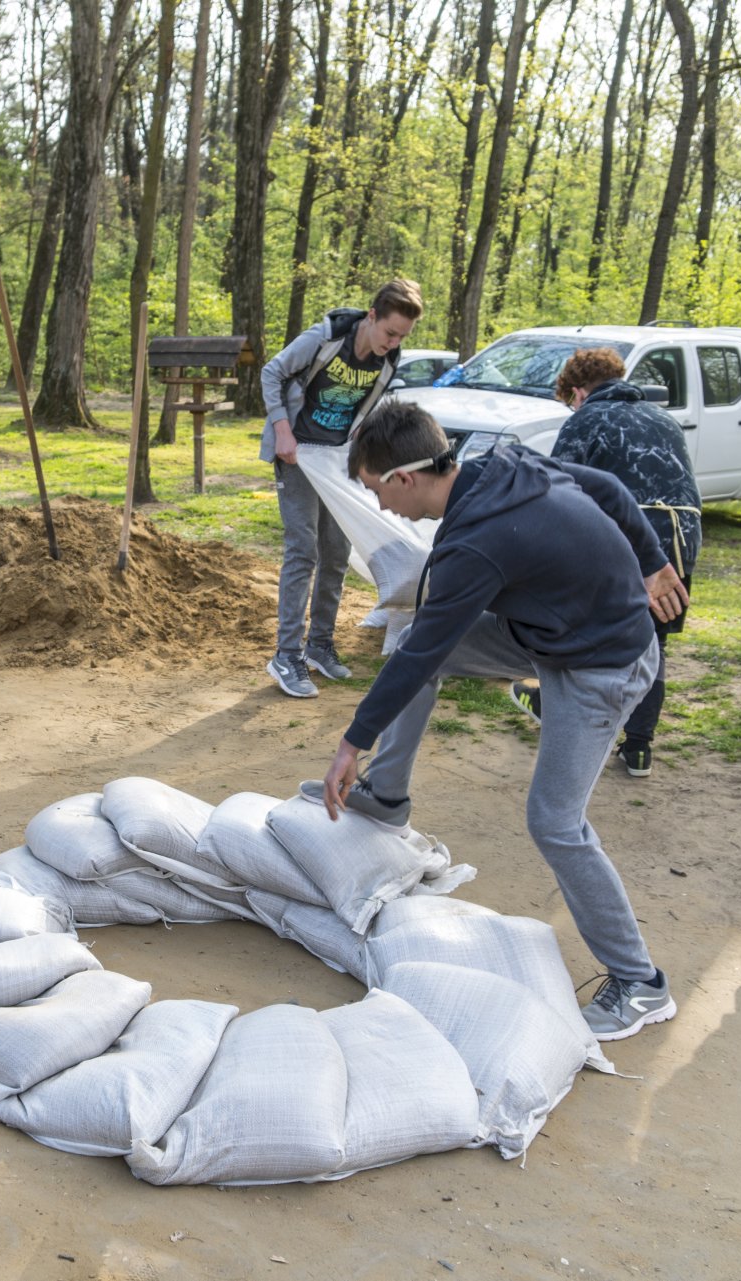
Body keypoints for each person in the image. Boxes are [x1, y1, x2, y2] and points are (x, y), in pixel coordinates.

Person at [312, 400, 688, 1041]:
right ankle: (387, 796)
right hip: (548, 633)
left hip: (603, 664)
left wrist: (351, 743)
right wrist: (652, 560)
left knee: (555, 822)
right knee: (409, 647)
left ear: (405, 477)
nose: (379, 506)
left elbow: (429, 647)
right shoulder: (500, 466)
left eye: (377, 490)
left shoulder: (475, 545)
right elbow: (605, 486)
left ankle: (641, 983)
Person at [541, 346, 702, 779]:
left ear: (578, 391)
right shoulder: (664, 419)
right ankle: (639, 747)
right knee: (652, 642)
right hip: (678, 541)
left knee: (587, 631)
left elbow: (560, 488)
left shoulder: (586, 419)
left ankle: (570, 719)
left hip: (625, 539)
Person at [258, 279, 422, 698]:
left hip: (337, 460)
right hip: (297, 453)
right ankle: (286, 655)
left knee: (336, 552)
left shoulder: (387, 361)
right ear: (372, 316)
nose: (393, 343)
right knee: (303, 549)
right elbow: (272, 372)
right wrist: (282, 431)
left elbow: (363, 411)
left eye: (402, 337)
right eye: (390, 332)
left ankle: (319, 645)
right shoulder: (324, 338)